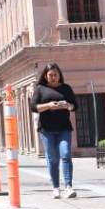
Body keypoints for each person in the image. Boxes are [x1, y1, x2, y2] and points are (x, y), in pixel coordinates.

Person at [29, 62, 78, 199]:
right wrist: (49, 105)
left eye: (56, 75)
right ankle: (56, 188)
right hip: (46, 129)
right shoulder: (40, 89)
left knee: (66, 154)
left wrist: (67, 105)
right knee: (52, 159)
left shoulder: (66, 88)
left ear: (59, 75)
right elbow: (33, 107)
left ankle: (68, 186)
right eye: (50, 75)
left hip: (64, 128)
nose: (53, 77)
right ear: (45, 75)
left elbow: (75, 106)